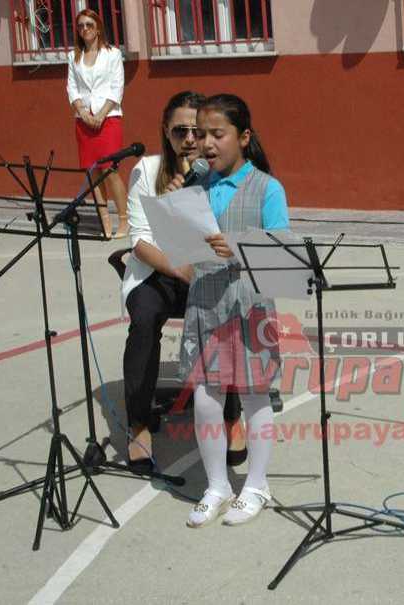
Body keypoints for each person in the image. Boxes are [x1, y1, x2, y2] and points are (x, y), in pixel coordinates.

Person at [121, 91, 245, 473]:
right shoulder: (147, 171)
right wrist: (179, 269)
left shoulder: (221, 172)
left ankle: (231, 414)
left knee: (229, 315)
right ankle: (140, 423)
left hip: (208, 271)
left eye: (198, 130)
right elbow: (139, 240)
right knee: (143, 319)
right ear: (166, 131)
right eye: (181, 131)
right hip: (159, 272)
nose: (190, 139)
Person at [179, 93, 289, 527]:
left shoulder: (267, 188)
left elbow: (281, 251)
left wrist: (240, 248)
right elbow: (184, 242)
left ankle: (257, 483)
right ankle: (217, 484)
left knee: (253, 393)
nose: (205, 143)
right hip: (205, 302)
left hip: (250, 305)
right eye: (200, 134)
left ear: (243, 137)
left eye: (217, 134)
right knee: (206, 397)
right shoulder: (196, 184)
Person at [66, 8, 129, 239]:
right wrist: (82, 111)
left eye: (89, 25)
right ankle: (105, 219)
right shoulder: (74, 57)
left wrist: (101, 114)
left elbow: (117, 86)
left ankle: (124, 218)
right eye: (81, 26)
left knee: (110, 171)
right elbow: (72, 87)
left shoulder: (112, 54)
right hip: (83, 121)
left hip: (108, 118)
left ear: (98, 28)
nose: (85, 30)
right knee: (93, 172)